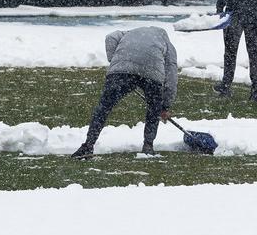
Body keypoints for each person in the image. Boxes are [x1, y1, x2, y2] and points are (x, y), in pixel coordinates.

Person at [72, 25, 179, 158]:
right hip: (152, 73)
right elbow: (171, 76)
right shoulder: (166, 44)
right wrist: (164, 107)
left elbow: (110, 37)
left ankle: (88, 145)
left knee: (104, 107)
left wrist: (116, 61)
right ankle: (148, 146)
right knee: (153, 109)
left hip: (121, 70)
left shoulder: (129, 33)